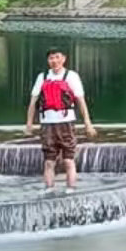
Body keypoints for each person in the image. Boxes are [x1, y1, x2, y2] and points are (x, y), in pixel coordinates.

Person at [25, 48, 96, 191]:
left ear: (63, 59)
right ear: (48, 60)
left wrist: (87, 123)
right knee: (49, 161)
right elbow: (33, 102)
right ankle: (49, 189)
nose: (54, 61)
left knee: (68, 160)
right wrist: (29, 124)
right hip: (47, 124)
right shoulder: (43, 77)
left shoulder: (71, 76)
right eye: (51, 58)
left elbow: (80, 101)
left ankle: (70, 189)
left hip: (66, 123)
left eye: (57, 57)